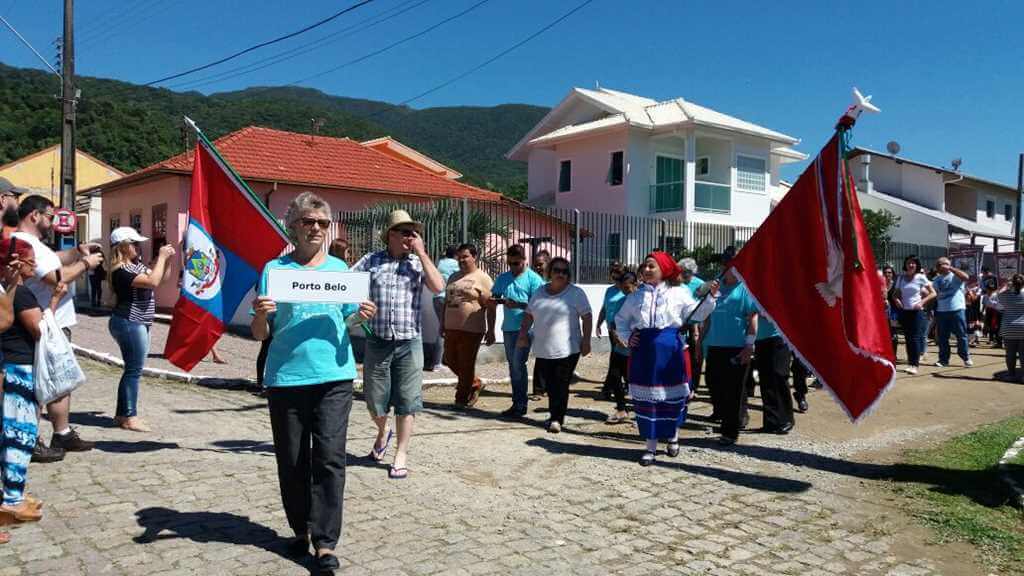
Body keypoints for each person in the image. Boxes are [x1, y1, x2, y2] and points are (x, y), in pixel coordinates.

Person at [251, 192, 376, 575]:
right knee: (292, 460)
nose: (317, 229)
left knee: (330, 458)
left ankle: (325, 542)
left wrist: (363, 315)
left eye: (323, 223)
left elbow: (352, 323)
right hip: (286, 377)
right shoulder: (275, 270)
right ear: (294, 226)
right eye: (309, 222)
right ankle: (300, 527)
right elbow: (260, 334)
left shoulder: (342, 272)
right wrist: (259, 314)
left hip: (334, 375)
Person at [353, 210, 444, 480]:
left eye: (413, 232)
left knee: (408, 400)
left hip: (409, 341)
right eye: (404, 231)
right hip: (378, 340)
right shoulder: (372, 260)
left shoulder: (417, 263)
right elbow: (347, 285)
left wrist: (423, 253)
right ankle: (383, 432)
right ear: (390, 235)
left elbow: (438, 286)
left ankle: (400, 454)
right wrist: (359, 305)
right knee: (374, 400)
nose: (410, 236)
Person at [14, 195, 103, 462]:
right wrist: (86, 264)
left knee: (60, 380)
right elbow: (55, 277)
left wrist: (77, 251)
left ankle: (62, 432)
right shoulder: (25, 243)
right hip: (42, 321)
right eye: (50, 217)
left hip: (54, 321)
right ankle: (30, 439)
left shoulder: (36, 245)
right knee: (39, 383)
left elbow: (54, 260)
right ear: (34, 215)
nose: (53, 222)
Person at [615, 253, 717, 464]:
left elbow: (696, 314)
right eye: (645, 266)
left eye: (652, 266)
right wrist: (627, 337)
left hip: (670, 352)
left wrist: (710, 298)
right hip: (644, 354)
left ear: (664, 268)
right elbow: (621, 320)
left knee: (671, 399)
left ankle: (673, 437)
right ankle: (650, 447)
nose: (646, 269)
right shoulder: (636, 296)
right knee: (647, 402)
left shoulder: (679, 293)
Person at [0, 237, 64, 527]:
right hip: (18, 368)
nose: (35, 264)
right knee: (19, 434)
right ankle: (11, 499)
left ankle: (13, 494)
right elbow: (39, 329)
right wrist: (54, 301)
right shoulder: (20, 294)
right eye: (29, 259)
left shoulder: (17, 291)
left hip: (16, 366)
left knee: (18, 434)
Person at [106, 227, 175, 432]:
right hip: (129, 322)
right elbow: (153, 281)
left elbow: (161, 279)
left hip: (138, 322)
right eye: (134, 243)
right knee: (134, 370)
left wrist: (168, 260)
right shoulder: (122, 271)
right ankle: (129, 416)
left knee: (132, 369)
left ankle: (122, 414)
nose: (138, 247)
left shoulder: (136, 266)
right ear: (123, 246)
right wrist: (161, 257)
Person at [516, 257, 591, 433]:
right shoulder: (540, 292)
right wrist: (522, 334)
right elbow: (528, 315)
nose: (560, 274)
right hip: (544, 348)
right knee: (550, 384)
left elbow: (587, 316)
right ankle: (554, 414)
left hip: (568, 348)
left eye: (565, 271)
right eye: (557, 270)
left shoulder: (576, 293)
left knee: (561, 382)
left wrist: (586, 340)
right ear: (550, 272)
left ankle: (557, 418)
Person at [702, 263, 758, 447]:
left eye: (735, 267)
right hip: (715, 345)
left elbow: (752, 319)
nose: (730, 271)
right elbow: (706, 316)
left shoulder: (744, 289)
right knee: (713, 383)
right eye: (728, 267)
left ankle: (730, 431)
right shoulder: (715, 287)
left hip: (736, 347)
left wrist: (749, 345)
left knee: (733, 391)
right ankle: (726, 419)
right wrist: (699, 342)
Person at [490, 245, 544, 418]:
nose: (514, 267)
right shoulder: (503, 278)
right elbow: (494, 299)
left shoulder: (533, 279)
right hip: (508, 328)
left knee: (518, 365)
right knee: (513, 367)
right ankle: (517, 403)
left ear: (524, 260)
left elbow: (539, 306)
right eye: (511, 263)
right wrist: (497, 301)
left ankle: (520, 404)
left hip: (526, 329)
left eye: (517, 263)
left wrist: (519, 304)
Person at [441, 243, 494, 408]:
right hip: (451, 328)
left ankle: (461, 400)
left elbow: (491, 306)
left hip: (472, 329)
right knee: (448, 359)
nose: (461, 260)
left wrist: (491, 330)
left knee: (466, 363)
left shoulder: (483, 278)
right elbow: (447, 302)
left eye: (465, 256)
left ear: (474, 257)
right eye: (459, 257)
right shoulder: (453, 277)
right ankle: (475, 383)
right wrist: (442, 323)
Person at [602, 271, 637, 424]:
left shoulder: (643, 302)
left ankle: (641, 410)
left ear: (636, 285)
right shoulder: (621, 302)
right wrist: (616, 338)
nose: (625, 291)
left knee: (634, 380)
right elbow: (612, 324)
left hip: (636, 350)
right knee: (615, 376)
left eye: (627, 288)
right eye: (623, 288)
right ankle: (621, 409)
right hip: (620, 348)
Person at [892, 256, 934, 375]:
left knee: (914, 338)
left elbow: (933, 293)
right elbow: (895, 294)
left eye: (913, 263)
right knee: (907, 338)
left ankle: (914, 365)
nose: (911, 265)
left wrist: (921, 302)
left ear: (917, 265)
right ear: (905, 265)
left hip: (917, 312)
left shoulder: (920, 277)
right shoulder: (900, 278)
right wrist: (897, 300)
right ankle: (910, 363)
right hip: (905, 312)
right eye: (909, 263)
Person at [755, 317, 794, 434]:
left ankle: (786, 420)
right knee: (765, 380)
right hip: (760, 339)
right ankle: (771, 421)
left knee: (779, 377)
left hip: (778, 337)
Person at [931, 257, 973, 368]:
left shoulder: (956, 276)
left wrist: (951, 268)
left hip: (957, 309)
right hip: (942, 311)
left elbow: (966, 277)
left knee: (961, 335)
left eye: (943, 264)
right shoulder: (936, 279)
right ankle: (943, 359)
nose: (941, 266)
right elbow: (933, 294)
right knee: (943, 337)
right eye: (939, 264)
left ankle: (965, 357)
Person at [596, 261, 625, 400]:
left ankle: (608, 388)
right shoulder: (610, 290)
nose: (615, 274)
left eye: (618, 272)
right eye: (613, 272)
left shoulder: (627, 291)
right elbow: (605, 308)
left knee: (616, 361)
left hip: (623, 332)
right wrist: (598, 323)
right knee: (615, 360)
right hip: (611, 330)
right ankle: (609, 388)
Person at [678, 257, 707, 393]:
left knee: (696, 356)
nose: (683, 274)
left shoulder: (700, 284)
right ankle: (683, 382)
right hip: (681, 324)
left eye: (686, 272)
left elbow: (705, 306)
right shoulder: (678, 284)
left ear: (692, 272)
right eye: (681, 271)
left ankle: (693, 386)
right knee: (682, 356)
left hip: (697, 325)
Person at [430, 246, 459, 371]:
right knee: (445, 330)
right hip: (448, 297)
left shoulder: (439, 263)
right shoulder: (455, 264)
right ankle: (438, 363)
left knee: (443, 328)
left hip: (436, 297)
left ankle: (441, 360)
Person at [530, 249, 551, 400]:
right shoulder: (534, 281)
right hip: (539, 323)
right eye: (535, 265)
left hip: (553, 324)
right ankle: (538, 389)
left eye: (540, 264)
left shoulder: (554, 281)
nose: (537, 267)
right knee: (541, 356)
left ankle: (550, 388)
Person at [998, 274, 1024, 381]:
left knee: (1010, 354)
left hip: (1008, 328)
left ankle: (1011, 374)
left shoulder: (1005, 295)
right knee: (1023, 354)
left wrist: (1006, 284)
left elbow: (998, 294)